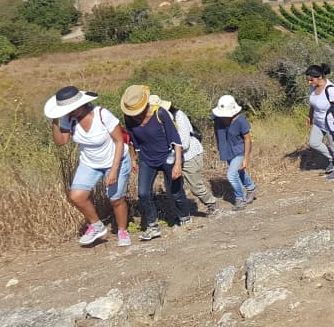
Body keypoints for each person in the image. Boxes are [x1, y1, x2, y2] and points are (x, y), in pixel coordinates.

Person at [45, 86, 132, 247]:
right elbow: (61, 142)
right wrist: (55, 122)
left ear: (80, 105)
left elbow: (119, 141)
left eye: (70, 109)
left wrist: (113, 171)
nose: (68, 112)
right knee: (77, 196)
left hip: (116, 159)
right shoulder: (68, 119)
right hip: (90, 163)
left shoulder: (102, 115)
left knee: (116, 199)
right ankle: (96, 225)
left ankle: (122, 230)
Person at [121, 85, 184, 240]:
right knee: (143, 193)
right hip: (147, 158)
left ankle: (184, 217)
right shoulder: (128, 118)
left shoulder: (160, 114)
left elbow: (176, 140)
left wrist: (177, 164)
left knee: (175, 192)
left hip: (167, 156)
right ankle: (153, 226)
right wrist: (133, 159)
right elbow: (133, 141)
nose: (135, 116)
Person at [150, 95, 218, 218]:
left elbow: (184, 143)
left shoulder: (179, 116)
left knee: (196, 186)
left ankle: (211, 204)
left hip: (189, 156)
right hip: (172, 158)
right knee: (172, 189)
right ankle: (181, 214)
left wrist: (169, 148)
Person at [212, 94, 257, 210]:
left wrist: (246, 158)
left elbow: (247, 139)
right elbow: (216, 129)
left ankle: (240, 198)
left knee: (231, 175)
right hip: (226, 149)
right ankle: (251, 188)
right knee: (239, 171)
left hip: (240, 150)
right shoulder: (217, 118)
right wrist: (219, 144)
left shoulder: (241, 120)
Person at [305, 64, 334, 180]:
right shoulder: (313, 87)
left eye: (311, 80)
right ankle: (332, 159)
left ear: (319, 77)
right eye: (308, 80)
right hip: (318, 122)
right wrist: (310, 116)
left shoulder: (330, 89)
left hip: (331, 123)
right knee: (314, 143)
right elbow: (313, 103)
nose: (309, 83)